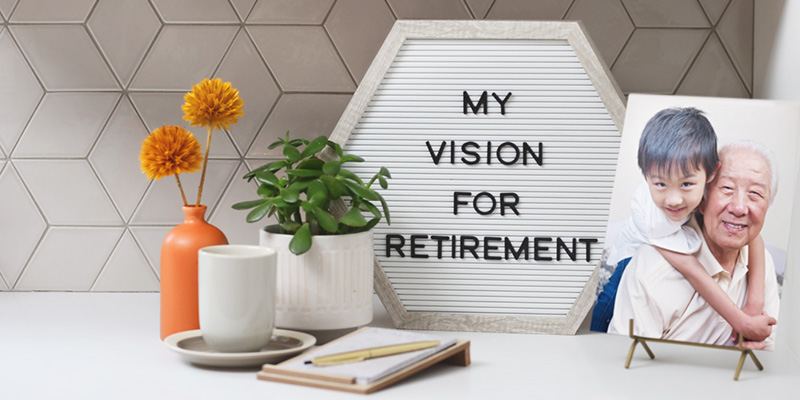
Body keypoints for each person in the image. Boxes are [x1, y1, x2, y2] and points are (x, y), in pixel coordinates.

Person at [592, 108, 771, 342]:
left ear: (710, 174)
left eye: (686, 184)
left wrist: (754, 301)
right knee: (600, 320)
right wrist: (740, 320)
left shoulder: (706, 200)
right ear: (646, 176)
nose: (674, 200)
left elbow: (754, 235)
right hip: (627, 262)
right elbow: (694, 272)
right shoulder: (652, 217)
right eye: (660, 184)